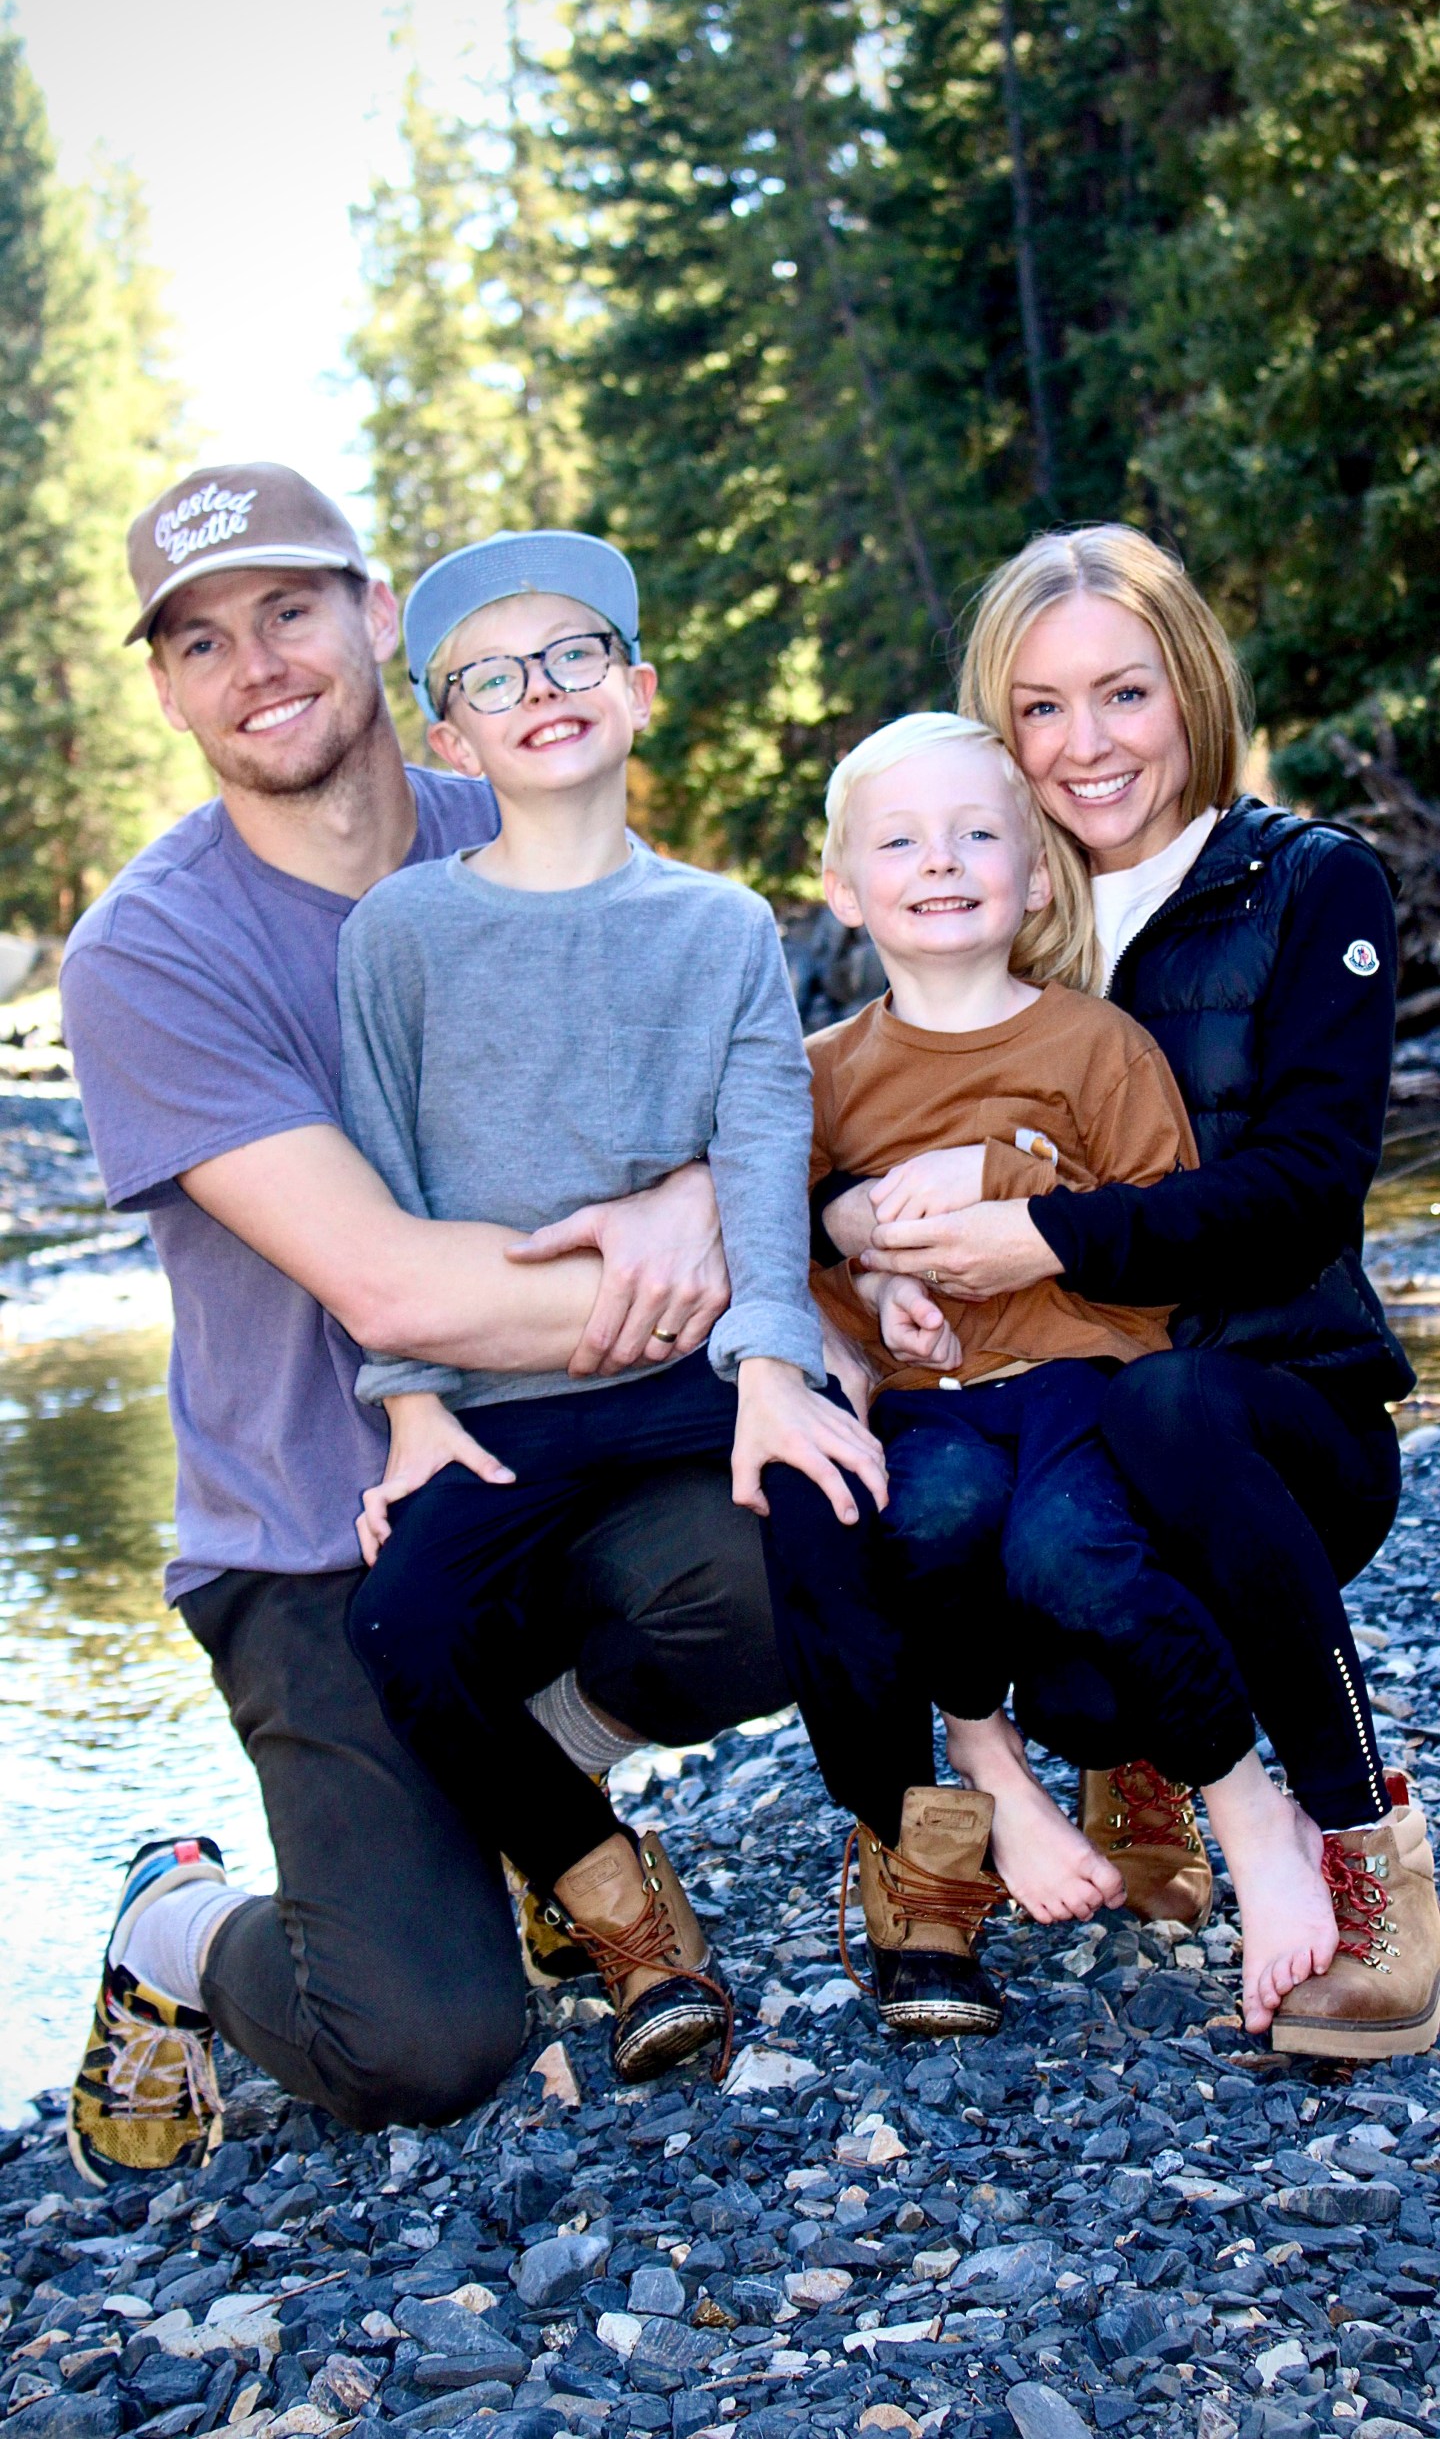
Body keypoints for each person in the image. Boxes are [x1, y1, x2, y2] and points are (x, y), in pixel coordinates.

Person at [58, 466, 792, 2182]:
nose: (258, 664)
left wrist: (709, 1198)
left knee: (787, 1545)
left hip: (557, 1463)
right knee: (425, 2046)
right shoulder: (151, 955)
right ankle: (172, 1924)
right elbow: (390, 1287)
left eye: (291, 609)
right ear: (168, 688)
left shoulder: (520, 809)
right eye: (202, 639)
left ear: (381, 618)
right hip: (316, 1534)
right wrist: (716, 1259)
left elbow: (742, 1061)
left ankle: (534, 1780)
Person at [822, 525, 1440, 2061]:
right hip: (1053, 1418)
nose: (1085, 745)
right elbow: (855, 1133)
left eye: (1124, 695)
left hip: (1276, 1415)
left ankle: (1374, 1857)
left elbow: (1300, 1191)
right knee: (1050, 1616)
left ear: (1193, 694)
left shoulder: (1314, 887)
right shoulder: (993, 895)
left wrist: (1042, 1234)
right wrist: (856, 1227)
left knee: (1168, 1413)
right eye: (1039, 709)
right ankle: (1106, 1764)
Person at [335, 530, 883, 2085]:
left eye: (574, 655)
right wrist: (414, 1407)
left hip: (683, 1367)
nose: (541, 690)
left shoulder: (716, 925)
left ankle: (915, 1868)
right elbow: (380, 1167)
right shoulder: (402, 936)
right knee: (403, 1622)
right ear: (454, 738)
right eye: (491, 678)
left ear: (636, 692)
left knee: (833, 1488)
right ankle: (616, 1905)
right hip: (505, 1396)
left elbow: (764, 1140)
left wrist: (777, 1362)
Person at [764, 709, 1343, 2040]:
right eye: (900, 841)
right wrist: (872, 1298)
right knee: (931, 1524)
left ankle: (1251, 1816)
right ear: (845, 889)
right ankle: (990, 1762)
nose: (943, 861)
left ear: (1034, 874)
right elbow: (779, 1249)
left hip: (1088, 1381)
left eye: (979, 835)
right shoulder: (821, 1077)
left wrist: (1007, 1178)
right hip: (932, 1404)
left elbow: (1164, 1230)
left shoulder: (1093, 1046)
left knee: (1074, 1559)